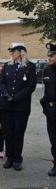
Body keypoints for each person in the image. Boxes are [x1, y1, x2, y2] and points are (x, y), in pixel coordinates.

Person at [0, 42, 36, 171]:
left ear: (21, 52)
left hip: (21, 107)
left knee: (18, 134)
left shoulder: (30, 67)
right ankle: (9, 158)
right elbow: (2, 82)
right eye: (11, 51)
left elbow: (30, 86)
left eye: (14, 50)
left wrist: (16, 97)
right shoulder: (7, 66)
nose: (11, 53)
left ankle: (17, 159)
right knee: (8, 133)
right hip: (7, 106)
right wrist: (7, 95)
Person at [42, 43, 56, 176]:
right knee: (53, 139)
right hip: (51, 110)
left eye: (51, 55)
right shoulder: (47, 70)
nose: (49, 57)